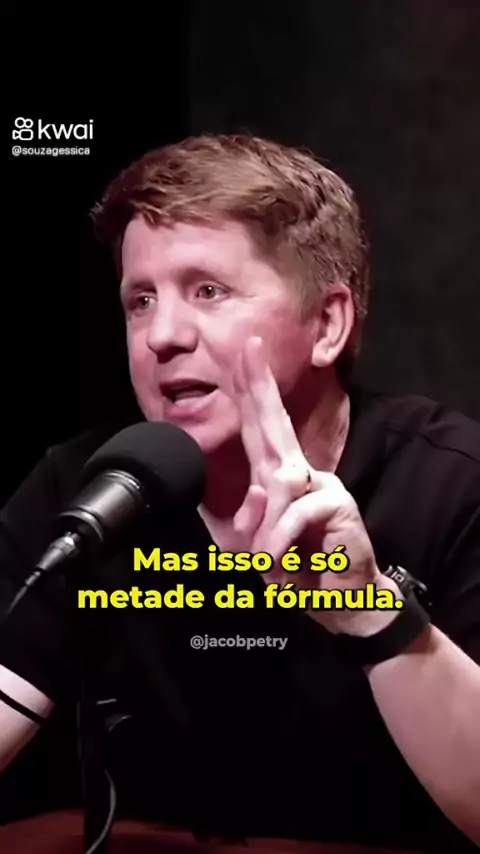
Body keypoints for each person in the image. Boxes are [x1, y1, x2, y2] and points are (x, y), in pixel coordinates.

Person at [0, 133, 479, 853]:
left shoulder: (456, 485)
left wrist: (369, 608)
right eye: (140, 300)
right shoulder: (84, 491)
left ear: (328, 323)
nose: (161, 336)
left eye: (208, 291)